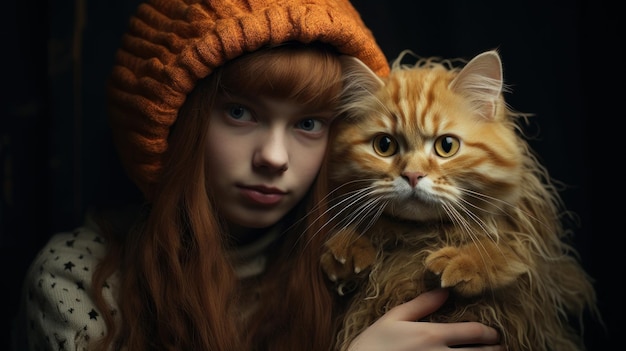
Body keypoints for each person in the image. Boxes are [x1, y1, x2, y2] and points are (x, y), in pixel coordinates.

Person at [13, 0, 503, 350]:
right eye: (240, 113)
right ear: (172, 120)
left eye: (308, 124)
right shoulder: (77, 282)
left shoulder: (357, 265)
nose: (273, 157)